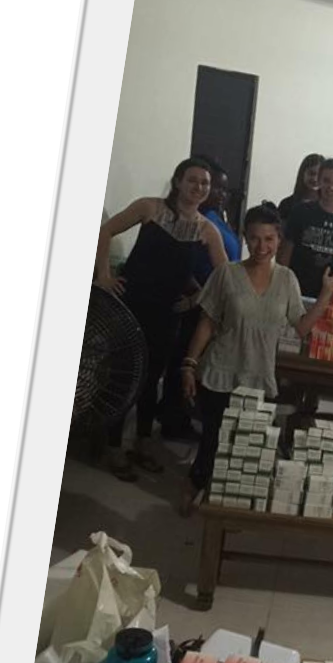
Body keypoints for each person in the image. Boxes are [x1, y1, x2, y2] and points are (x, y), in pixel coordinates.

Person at [179, 204, 333, 513]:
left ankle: (228, 500)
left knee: (246, 444)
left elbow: (301, 328)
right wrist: (189, 363)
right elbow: (206, 322)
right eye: (255, 239)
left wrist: (327, 293)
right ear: (246, 239)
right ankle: (195, 486)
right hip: (221, 370)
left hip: (258, 375)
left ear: (279, 240)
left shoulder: (287, 279)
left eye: (269, 239)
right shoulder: (227, 274)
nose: (262, 247)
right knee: (212, 440)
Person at [94, 158, 228, 480]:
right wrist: (104, 276)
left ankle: (141, 443)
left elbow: (225, 276)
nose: (199, 188)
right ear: (178, 181)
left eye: (205, 184)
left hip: (167, 314)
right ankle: (112, 447)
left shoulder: (207, 230)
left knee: (151, 379)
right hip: (130, 306)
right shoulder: (149, 208)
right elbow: (106, 230)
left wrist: (196, 298)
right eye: (193, 180)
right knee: (122, 375)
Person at [160, 155, 241, 437]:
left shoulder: (217, 219)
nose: (217, 193)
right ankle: (172, 419)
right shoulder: (195, 221)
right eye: (214, 186)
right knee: (182, 360)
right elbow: (185, 264)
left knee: (194, 361)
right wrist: (198, 294)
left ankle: (182, 414)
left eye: (220, 188)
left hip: (214, 301)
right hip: (198, 301)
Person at [279, 158, 333, 298]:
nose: (331, 187)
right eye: (326, 180)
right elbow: (285, 254)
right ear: (319, 182)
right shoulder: (300, 212)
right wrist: (281, 288)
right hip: (298, 293)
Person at [277, 154, 323, 224]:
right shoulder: (287, 204)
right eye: (311, 173)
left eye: (319, 175)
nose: (315, 179)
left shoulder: (329, 206)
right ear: (302, 174)